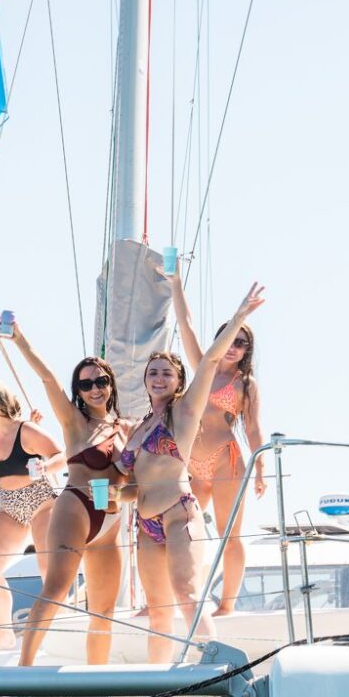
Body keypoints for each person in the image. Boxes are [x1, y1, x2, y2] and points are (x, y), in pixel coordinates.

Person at [121, 286, 267, 660]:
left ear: (179, 380)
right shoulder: (139, 426)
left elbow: (208, 354)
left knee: (186, 596)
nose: (158, 378)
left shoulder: (185, 411)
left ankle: (216, 665)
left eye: (166, 373)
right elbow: (130, 486)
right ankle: (154, 683)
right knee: (158, 613)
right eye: (152, 372)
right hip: (146, 522)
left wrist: (239, 316)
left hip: (180, 510)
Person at [7, 321, 132, 666]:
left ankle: (98, 678)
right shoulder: (74, 421)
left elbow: (134, 483)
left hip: (109, 519)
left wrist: (121, 493)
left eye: (101, 381)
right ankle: (24, 668)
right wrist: (19, 338)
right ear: (79, 389)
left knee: (104, 610)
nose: (95, 389)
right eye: (87, 383)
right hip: (75, 508)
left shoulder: (125, 428)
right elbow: (47, 378)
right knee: (56, 590)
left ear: (110, 384)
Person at [167, 273, 268, 615]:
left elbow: (253, 429)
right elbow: (186, 324)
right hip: (192, 463)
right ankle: (179, 595)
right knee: (182, 530)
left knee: (229, 534)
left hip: (227, 460)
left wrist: (261, 468)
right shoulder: (202, 367)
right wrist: (176, 282)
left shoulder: (246, 383)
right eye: (231, 339)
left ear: (246, 352)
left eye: (242, 343)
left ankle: (227, 605)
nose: (235, 346)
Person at [0, 380, 65, 645]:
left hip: (41, 502)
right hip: (10, 508)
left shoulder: (26, 431)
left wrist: (46, 468)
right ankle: (5, 633)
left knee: (46, 565)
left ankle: (58, 628)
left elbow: (62, 455)